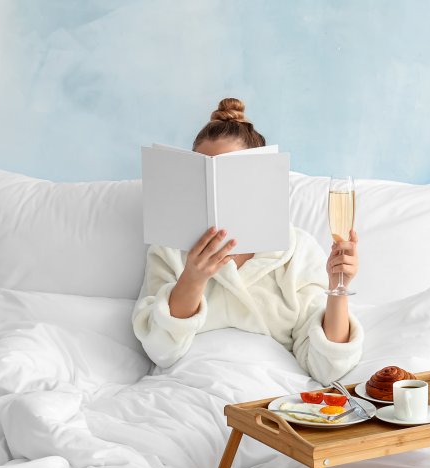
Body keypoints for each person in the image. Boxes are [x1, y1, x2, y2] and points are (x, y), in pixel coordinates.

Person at [132, 98, 362, 385]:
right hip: (185, 385)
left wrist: (337, 287)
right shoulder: (169, 248)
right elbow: (160, 350)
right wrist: (193, 277)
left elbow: (327, 367)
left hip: (266, 391)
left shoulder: (296, 250)